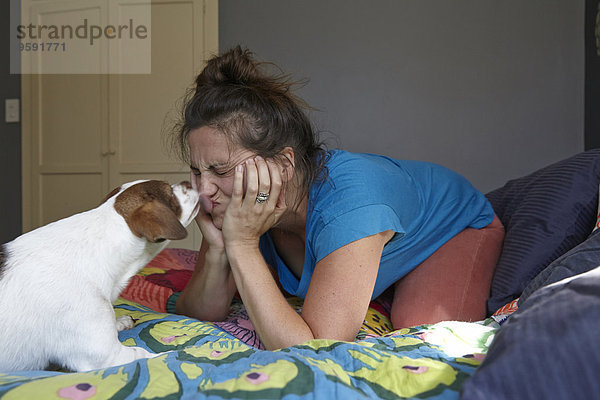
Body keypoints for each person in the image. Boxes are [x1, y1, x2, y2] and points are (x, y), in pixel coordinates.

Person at [171, 46, 505, 350]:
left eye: (221, 169)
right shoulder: (244, 204)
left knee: (420, 340)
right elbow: (199, 313)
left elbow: (313, 348)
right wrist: (218, 247)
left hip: (452, 227)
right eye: (197, 171)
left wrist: (242, 245)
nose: (204, 189)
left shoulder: (350, 204)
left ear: (284, 164)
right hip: (378, 220)